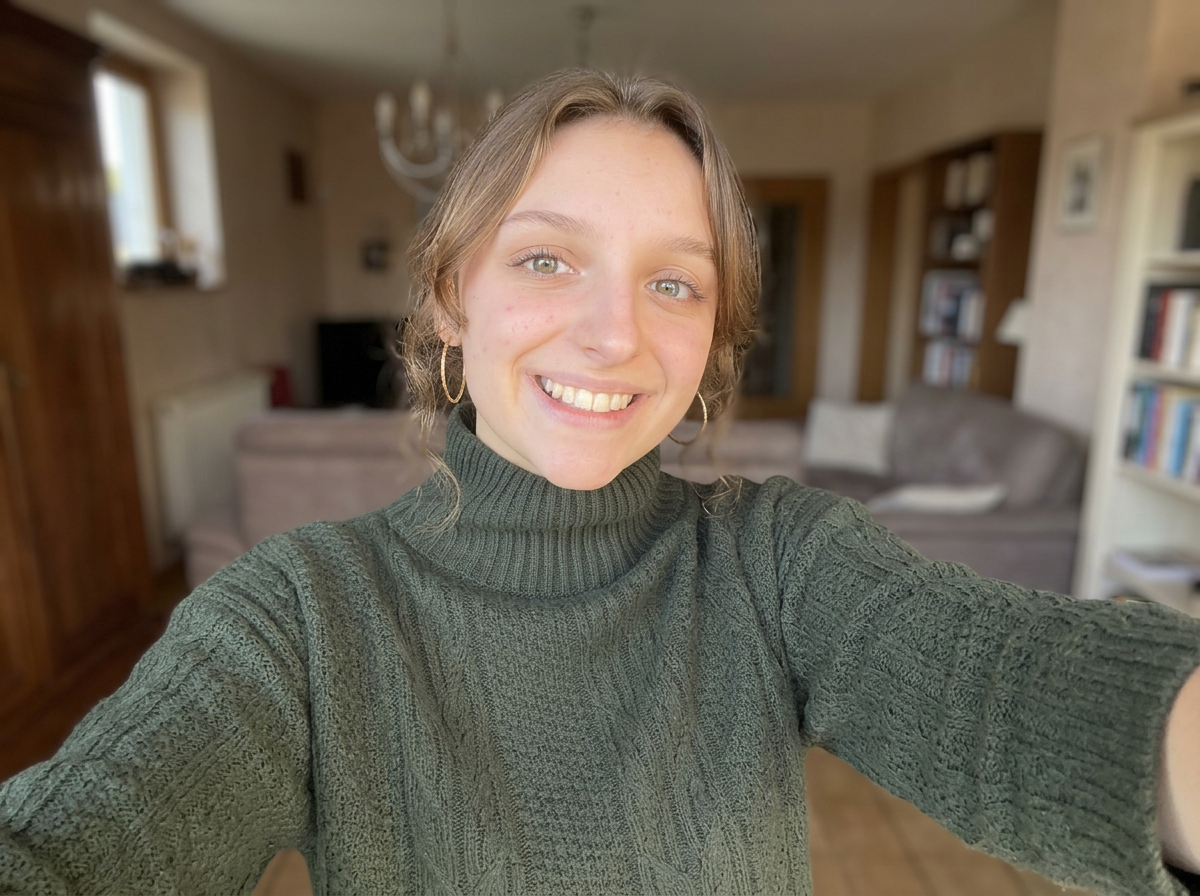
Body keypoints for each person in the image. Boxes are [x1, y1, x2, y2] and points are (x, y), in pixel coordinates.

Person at [3, 68, 1200, 896]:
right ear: (450, 296)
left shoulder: (780, 561)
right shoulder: (299, 615)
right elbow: (82, 837)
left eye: (674, 282)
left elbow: (1024, 695)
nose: (614, 334)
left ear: (713, 334)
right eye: (546, 258)